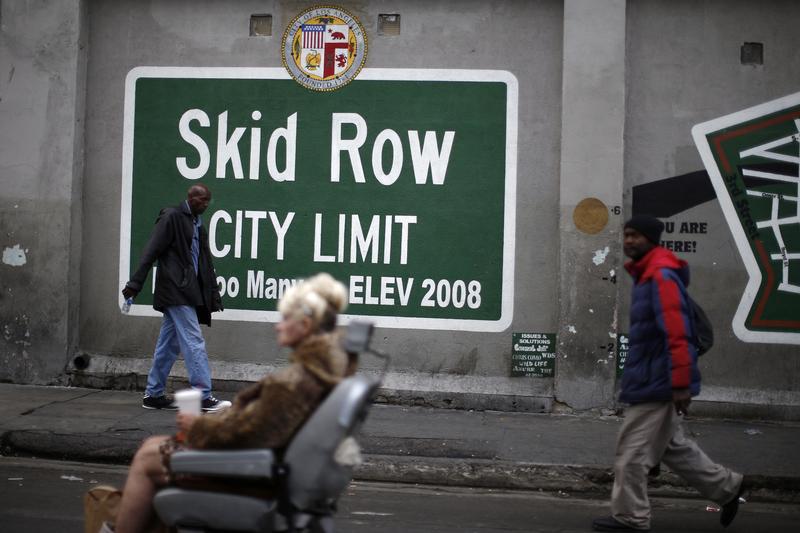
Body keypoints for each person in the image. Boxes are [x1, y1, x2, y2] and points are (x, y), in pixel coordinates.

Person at [113, 273, 354, 533]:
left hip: (252, 474)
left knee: (148, 454)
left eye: (285, 319)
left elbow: (248, 434)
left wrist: (198, 426)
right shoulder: (319, 374)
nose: (278, 326)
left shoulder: (293, 383)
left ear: (305, 325)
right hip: (272, 469)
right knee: (153, 446)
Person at [592, 215, 745, 532]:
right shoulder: (649, 274)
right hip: (653, 379)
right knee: (674, 448)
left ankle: (631, 518)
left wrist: (680, 385)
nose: (628, 241)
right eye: (626, 235)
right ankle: (729, 488)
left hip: (657, 383)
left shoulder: (660, 275)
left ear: (651, 238)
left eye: (635, 235)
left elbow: (677, 334)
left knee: (632, 454)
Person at [122, 184, 229, 412]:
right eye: (202, 200)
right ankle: (202, 395)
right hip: (175, 289)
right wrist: (135, 284)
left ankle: (153, 394)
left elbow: (202, 261)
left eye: (208, 200)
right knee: (193, 341)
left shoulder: (197, 223)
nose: (206, 204)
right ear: (190, 198)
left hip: (187, 290)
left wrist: (209, 291)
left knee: (168, 345)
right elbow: (151, 251)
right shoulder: (172, 217)